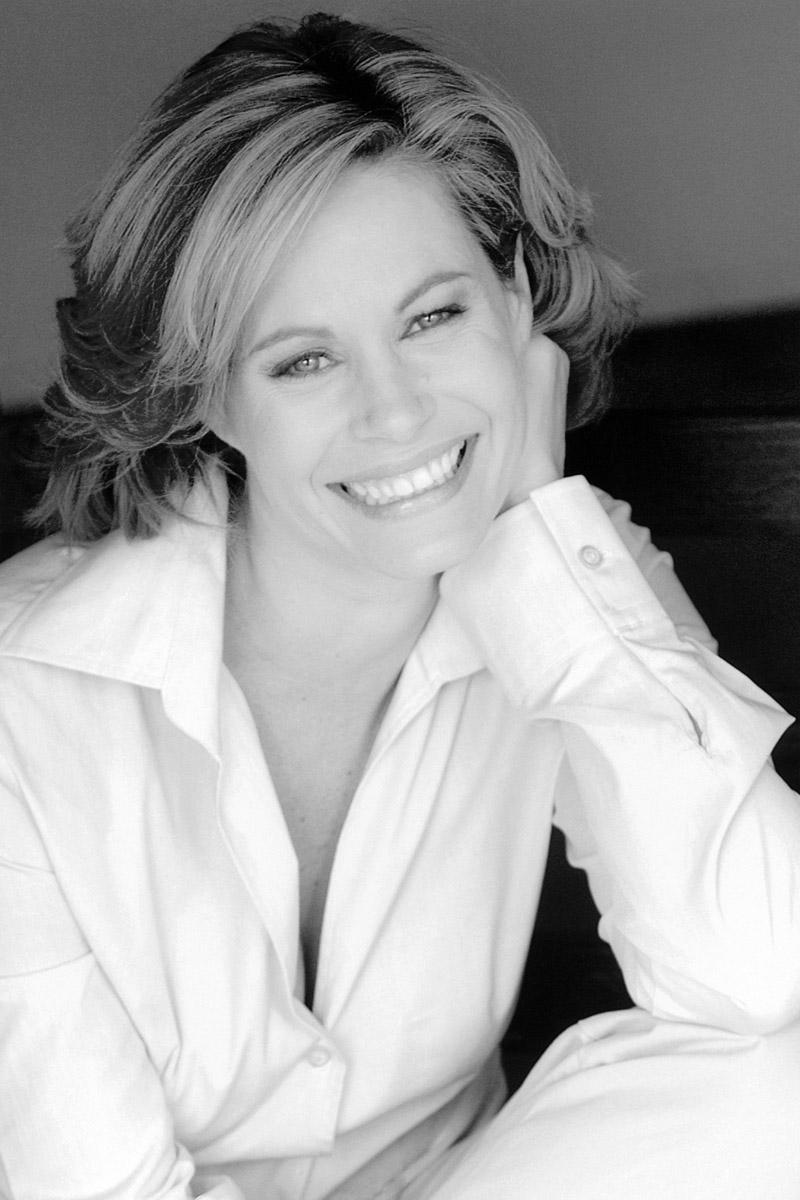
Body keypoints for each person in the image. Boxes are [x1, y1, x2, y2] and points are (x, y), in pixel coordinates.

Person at [1, 12, 799, 1200]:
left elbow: (757, 971)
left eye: (433, 317)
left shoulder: (567, 580)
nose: (395, 412)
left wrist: (533, 528)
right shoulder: (23, 703)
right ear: (204, 393)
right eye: (301, 360)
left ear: (513, 299)